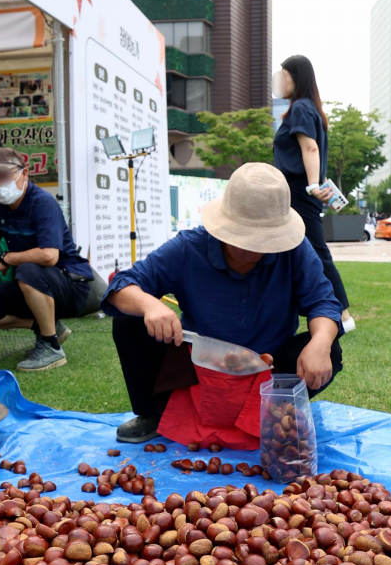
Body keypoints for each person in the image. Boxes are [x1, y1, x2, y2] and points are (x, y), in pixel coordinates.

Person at [105, 162, 343, 442]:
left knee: (329, 348)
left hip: (269, 366)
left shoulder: (294, 249)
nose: (256, 247)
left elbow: (324, 302)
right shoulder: (188, 247)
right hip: (196, 366)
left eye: (266, 238)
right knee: (129, 323)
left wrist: (320, 343)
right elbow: (121, 286)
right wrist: (149, 305)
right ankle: (153, 413)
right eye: (247, 237)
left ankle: (277, 414)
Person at [0, 150, 100, 372]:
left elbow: (50, 255)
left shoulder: (43, 202)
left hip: (72, 285)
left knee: (27, 270)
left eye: (3, 175)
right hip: (35, 284)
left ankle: (51, 347)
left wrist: (8, 258)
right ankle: (48, 329)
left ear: (24, 173)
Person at [271, 56, 357, 333]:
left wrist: (311, 186)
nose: (280, 81)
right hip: (298, 190)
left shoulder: (300, 109)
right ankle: (292, 312)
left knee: (315, 251)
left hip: (298, 190)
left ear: (296, 78)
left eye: (284, 75)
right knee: (290, 250)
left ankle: (342, 315)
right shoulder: (310, 109)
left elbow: (310, 149)